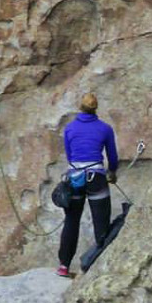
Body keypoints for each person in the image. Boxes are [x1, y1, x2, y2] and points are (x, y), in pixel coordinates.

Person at [57, 92, 118, 277]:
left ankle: (63, 266)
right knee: (101, 222)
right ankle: (99, 267)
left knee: (71, 220)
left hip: (75, 177)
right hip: (97, 178)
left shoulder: (69, 129)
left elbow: (70, 155)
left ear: (80, 107)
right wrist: (112, 172)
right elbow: (112, 157)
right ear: (95, 108)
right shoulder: (105, 128)